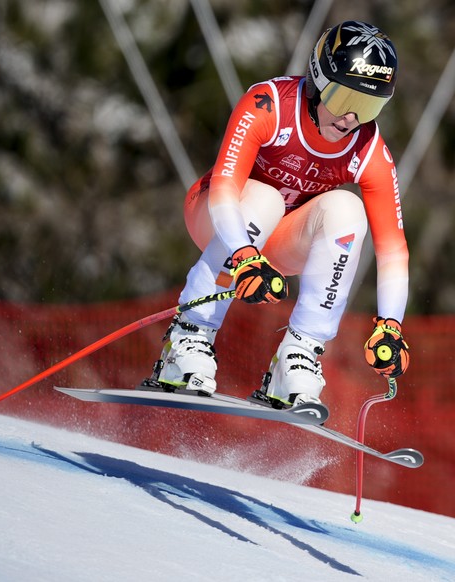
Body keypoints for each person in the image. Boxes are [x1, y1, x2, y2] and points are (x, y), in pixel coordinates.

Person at [148, 20, 410, 408]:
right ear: (319, 79)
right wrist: (242, 253)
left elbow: (392, 251)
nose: (350, 118)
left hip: (277, 246)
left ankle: (298, 356)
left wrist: (391, 324)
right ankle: (189, 336)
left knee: (347, 210)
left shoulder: (369, 151)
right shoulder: (268, 103)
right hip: (219, 216)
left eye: (368, 106)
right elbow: (223, 188)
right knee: (266, 199)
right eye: (342, 99)